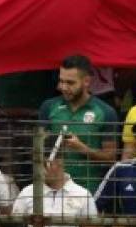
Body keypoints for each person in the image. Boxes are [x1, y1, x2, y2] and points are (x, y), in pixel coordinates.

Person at [37, 54, 119, 194]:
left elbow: (110, 159)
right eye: (61, 81)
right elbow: (38, 151)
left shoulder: (105, 112)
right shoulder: (49, 107)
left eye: (70, 83)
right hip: (53, 188)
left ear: (86, 81)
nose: (63, 87)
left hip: (89, 189)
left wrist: (82, 148)